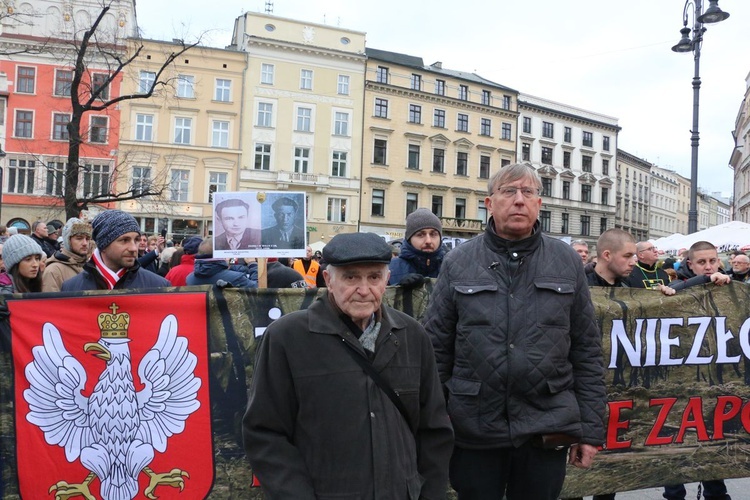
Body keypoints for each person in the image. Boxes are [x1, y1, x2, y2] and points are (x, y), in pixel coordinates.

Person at [423, 162, 606, 500]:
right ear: (489, 203)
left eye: (528, 192)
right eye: (509, 192)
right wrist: (436, 421)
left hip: (545, 427)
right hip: (473, 427)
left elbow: (586, 350)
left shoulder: (566, 261)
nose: (519, 200)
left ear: (539, 203)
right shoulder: (459, 261)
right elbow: (435, 349)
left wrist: (591, 431)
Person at [243, 232, 453, 498]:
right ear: (329, 280)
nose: (364, 290)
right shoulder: (287, 338)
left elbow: (434, 429)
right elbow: (265, 433)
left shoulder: (412, 335)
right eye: (351, 277)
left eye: (374, 277)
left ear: (387, 279)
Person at [663, 240, 731, 500]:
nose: (708, 266)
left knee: (712, 439)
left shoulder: (727, 286)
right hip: (680, 378)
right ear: (689, 264)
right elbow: (670, 291)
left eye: (712, 260)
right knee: (676, 439)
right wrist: (702, 282)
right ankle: (674, 494)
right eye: (701, 262)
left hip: (714, 379)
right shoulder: (677, 284)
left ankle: (716, 492)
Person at [61, 210, 170, 291]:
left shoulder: (159, 286)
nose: (133, 248)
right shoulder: (71, 288)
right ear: (103, 244)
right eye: (124, 240)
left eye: (136, 240)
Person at [388, 207, 445, 286]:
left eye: (433, 234)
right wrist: (398, 289)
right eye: (420, 235)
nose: (428, 241)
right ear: (409, 239)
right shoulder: (391, 268)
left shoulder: (452, 268)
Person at [42, 218, 92, 292]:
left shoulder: (90, 267)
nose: (85, 243)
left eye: (87, 239)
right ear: (68, 241)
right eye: (79, 238)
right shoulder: (53, 271)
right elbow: (50, 302)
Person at [187, 238, 257, 288]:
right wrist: (252, 264)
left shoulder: (189, 278)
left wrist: (228, 262)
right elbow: (258, 289)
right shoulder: (237, 278)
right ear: (220, 254)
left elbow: (218, 266)